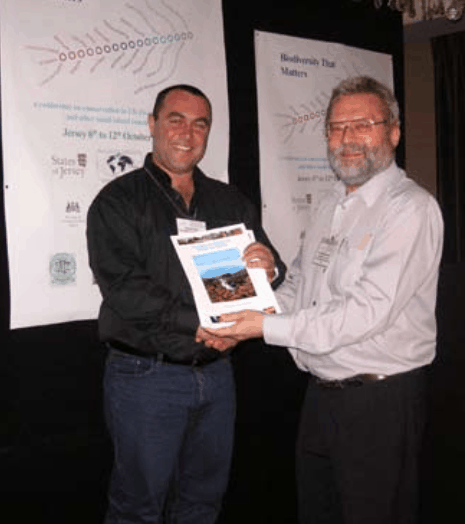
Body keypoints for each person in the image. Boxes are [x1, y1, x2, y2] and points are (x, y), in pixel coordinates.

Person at [205, 76, 444, 524]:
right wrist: (249, 310)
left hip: (380, 402)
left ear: (393, 132)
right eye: (336, 128)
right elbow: (302, 286)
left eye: (363, 124)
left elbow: (365, 313)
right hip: (322, 397)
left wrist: (262, 327)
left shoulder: (410, 209)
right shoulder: (328, 204)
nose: (347, 138)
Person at [86, 84, 285, 524]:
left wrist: (269, 267)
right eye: (175, 119)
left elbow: (271, 267)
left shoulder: (229, 201)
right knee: (138, 508)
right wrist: (201, 325)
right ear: (152, 124)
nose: (187, 133)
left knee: (202, 503)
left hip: (217, 378)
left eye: (200, 124)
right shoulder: (117, 201)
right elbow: (124, 288)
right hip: (146, 378)